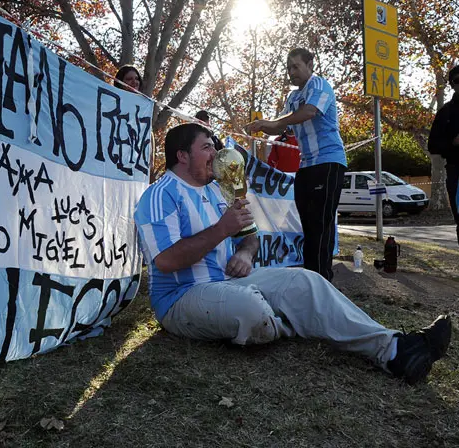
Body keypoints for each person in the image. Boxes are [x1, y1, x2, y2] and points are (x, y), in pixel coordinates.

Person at [134, 122, 451, 384]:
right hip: (180, 298)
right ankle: (288, 318)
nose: (216, 153)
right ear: (182, 155)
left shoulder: (218, 191)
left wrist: (245, 254)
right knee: (251, 311)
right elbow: (165, 261)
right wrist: (220, 230)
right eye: (207, 147)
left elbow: (250, 237)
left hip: (227, 280)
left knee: (306, 281)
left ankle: (396, 349)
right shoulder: (159, 196)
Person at [245, 48, 346, 281]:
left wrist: (273, 123)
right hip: (306, 166)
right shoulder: (292, 98)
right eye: (288, 68)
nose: (291, 72)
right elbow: (280, 127)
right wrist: (260, 125)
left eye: (296, 66)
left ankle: (322, 279)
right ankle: (312, 277)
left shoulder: (320, 86)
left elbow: (309, 112)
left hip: (328, 162)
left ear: (310, 64)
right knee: (308, 224)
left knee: (321, 223)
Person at [428, 65, 459, 245]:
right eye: (457, 81)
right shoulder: (445, 112)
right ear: (452, 85)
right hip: (456, 170)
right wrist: (452, 144)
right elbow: (433, 145)